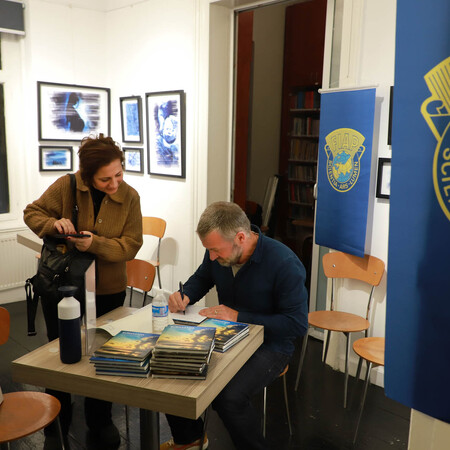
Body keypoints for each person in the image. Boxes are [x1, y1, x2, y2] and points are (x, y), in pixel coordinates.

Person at [23, 134, 143, 449]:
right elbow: (32, 213)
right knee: (60, 353)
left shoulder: (130, 197)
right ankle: (56, 423)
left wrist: (96, 244)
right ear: (87, 176)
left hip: (108, 289)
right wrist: (54, 225)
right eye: (105, 179)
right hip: (63, 287)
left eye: (119, 174)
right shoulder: (67, 186)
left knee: (105, 355)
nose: (115, 184)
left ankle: (100, 420)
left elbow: (132, 245)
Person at [163, 201, 308, 450]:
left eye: (215, 250)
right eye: (208, 250)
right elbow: (203, 277)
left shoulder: (284, 262)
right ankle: (189, 439)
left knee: (228, 397)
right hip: (227, 334)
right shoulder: (217, 250)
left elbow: (296, 324)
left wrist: (238, 316)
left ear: (241, 237)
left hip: (270, 345)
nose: (211, 256)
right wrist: (185, 294)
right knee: (173, 367)